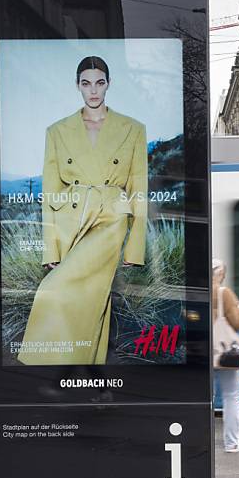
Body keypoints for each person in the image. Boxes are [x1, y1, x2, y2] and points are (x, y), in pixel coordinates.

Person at [18, 55, 148, 365]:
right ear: (77, 86)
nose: (93, 90)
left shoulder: (133, 129)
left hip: (111, 220)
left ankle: (40, 367)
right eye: (86, 83)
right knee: (92, 300)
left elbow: (138, 190)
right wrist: (51, 247)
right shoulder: (57, 131)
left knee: (54, 291)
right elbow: (50, 191)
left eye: (99, 83)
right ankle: (83, 370)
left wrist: (135, 247)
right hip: (70, 220)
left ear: (108, 85)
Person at [212, 259, 239, 453]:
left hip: (200, 351)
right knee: (231, 396)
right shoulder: (223, 292)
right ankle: (231, 443)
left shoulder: (193, 291)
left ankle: (201, 441)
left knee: (205, 398)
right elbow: (237, 323)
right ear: (219, 273)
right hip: (225, 352)